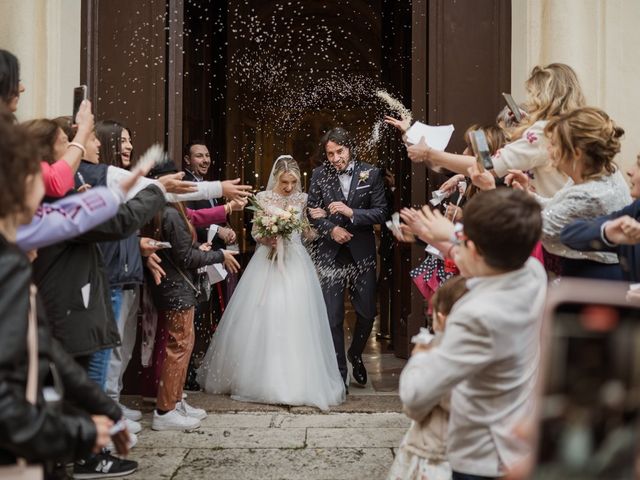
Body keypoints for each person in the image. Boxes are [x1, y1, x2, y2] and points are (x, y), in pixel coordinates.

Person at [0, 111, 137, 478]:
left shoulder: (18, 254)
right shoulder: (8, 270)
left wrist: (107, 413)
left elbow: (44, 350)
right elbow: (7, 407)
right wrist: (83, 432)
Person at [398, 188, 547, 480]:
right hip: (519, 444)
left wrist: (425, 350)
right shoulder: (531, 275)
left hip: (482, 458)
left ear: (476, 250)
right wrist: (451, 234)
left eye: (464, 243)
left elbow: (415, 397)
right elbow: (482, 255)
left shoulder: (475, 315)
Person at [197, 156, 345, 411]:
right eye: (284, 182)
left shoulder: (303, 199)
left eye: (293, 182)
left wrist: (314, 227)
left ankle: (298, 379)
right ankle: (263, 378)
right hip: (267, 263)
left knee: (298, 317)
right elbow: (255, 232)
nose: (289, 187)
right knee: (269, 313)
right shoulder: (264, 198)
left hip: (296, 262)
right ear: (276, 178)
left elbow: (307, 232)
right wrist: (269, 237)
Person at [386, 63, 586, 197]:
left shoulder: (544, 132)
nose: (529, 100)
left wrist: (430, 153)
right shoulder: (576, 128)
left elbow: (485, 165)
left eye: (533, 94)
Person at [145, 163, 241, 431]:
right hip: (176, 287)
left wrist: (201, 245)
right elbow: (185, 257)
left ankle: (175, 401)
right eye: (176, 179)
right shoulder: (169, 213)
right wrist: (218, 255)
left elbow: (186, 244)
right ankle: (165, 410)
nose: (183, 183)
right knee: (179, 345)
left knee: (184, 342)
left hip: (177, 285)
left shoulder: (171, 209)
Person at [506, 107, 631, 279]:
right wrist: (528, 195)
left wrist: (491, 190)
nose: (549, 148)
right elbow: (559, 208)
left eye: (555, 143)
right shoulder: (603, 172)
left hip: (593, 277)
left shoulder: (590, 195)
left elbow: (539, 229)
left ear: (577, 153)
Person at [307, 127, 388, 388]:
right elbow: (312, 213)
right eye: (330, 153)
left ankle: (355, 353)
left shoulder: (371, 173)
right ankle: (339, 376)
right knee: (333, 316)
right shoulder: (320, 175)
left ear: (349, 148)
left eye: (339, 151)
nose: (335, 158)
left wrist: (351, 212)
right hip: (330, 254)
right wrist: (331, 229)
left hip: (361, 253)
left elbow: (381, 213)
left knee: (366, 313)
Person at [388, 275, 467, 480]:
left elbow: (413, 401)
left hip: (437, 452)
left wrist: (419, 358)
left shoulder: (442, 359)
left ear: (441, 318)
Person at [561, 152, 640, 282]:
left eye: (638, 165)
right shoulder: (637, 209)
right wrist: (606, 232)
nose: (629, 171)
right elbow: (569, 234)